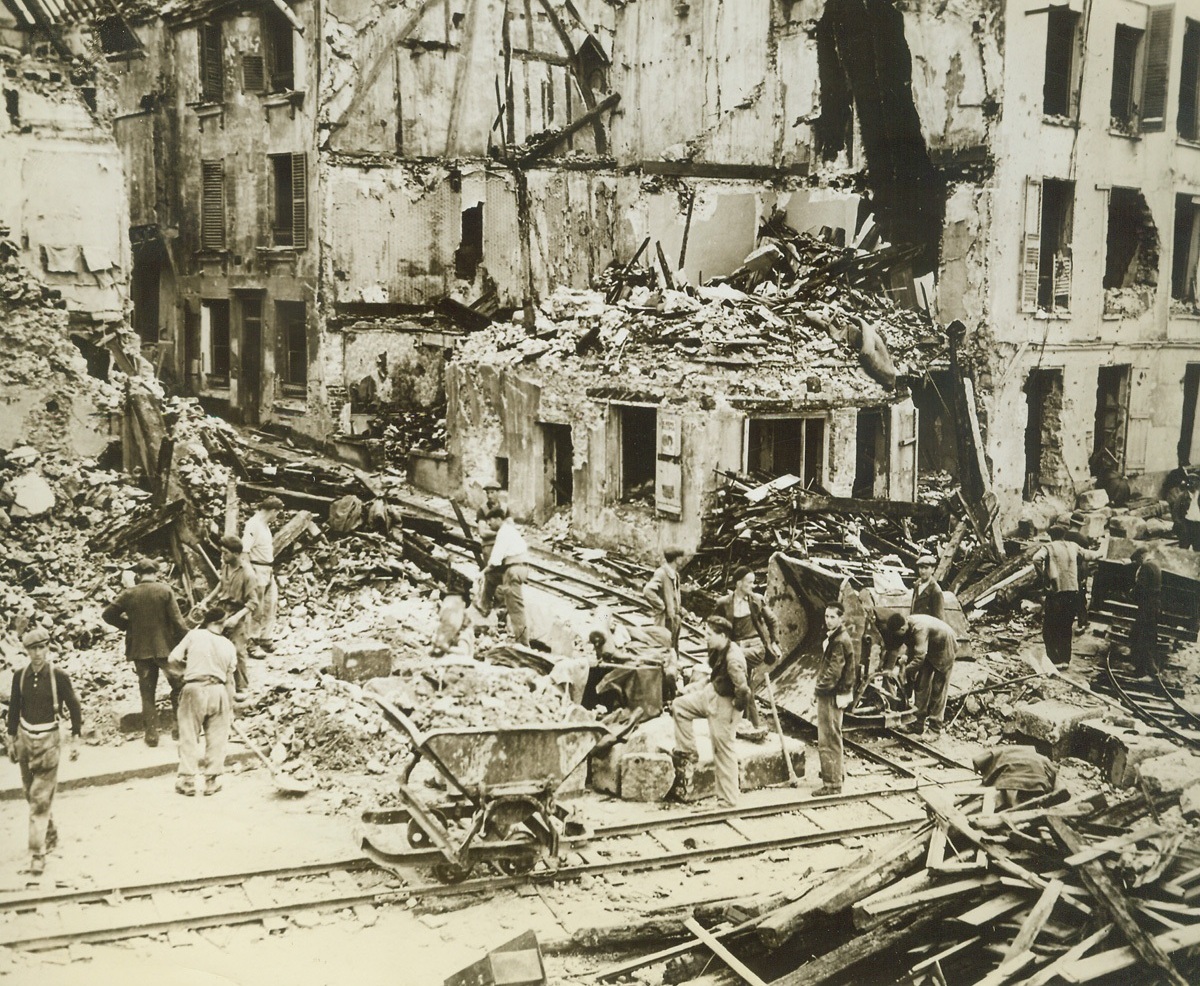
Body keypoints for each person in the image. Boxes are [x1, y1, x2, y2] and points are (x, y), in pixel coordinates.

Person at [5, 628, 82, 876]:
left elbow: (74, 705)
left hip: (49, 740)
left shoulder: (57, 675)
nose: (37, 653)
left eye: (41, 648)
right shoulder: (20, 676)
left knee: (39, 798)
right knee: (30, 793)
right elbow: (14, 708)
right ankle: (49, 832)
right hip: (25, 741)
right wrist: (11, 739)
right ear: (26, 651)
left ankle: (37, 854)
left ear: (48, 648)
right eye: (32, 649)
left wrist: (76, 738)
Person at [102, 557, 187, 746]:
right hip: (165, 649)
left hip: (140, 651)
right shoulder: (165, 591)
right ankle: (179, 729)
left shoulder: (128, 594)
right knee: (179, 686)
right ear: (156, 573)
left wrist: (127, 625)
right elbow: (178, 622)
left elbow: (107, 614)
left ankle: (151, 734)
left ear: (138, 575)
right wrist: (188, 641)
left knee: (147, 692)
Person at [669, 615, 751, 806]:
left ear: (722, 636)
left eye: (709, 634)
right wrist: (697, 687)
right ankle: (688, 752)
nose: (705, 637)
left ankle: (728, 801)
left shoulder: (733, 659)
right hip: (712, 692)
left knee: (723, 751)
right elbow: (715, 675)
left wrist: (734, 715)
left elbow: (743, 691)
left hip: (725, 703)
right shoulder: (720, 648)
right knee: (680, 706)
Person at [169, 607, 238, 797]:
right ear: (221, 623)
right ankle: (211, 781)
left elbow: (172, 658)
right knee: (218, 736)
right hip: (219, 690)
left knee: (189, 734)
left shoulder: (194, 635)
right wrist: (230, 708)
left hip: (194, 688)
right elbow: (230, 680)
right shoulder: (228, 645)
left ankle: (188, 781)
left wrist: (186, 673)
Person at [713, 566, 780, 731]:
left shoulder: (756, 600)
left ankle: (737, 720)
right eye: (749, 582)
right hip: (736, 646)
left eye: (753, 582)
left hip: (756, 646)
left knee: (732, 666)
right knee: (744, 682)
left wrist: (774, 642)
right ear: (738, 583)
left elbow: (772, 621)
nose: (753, 585)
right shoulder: (724, 603)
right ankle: (751, 723)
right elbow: (716, 626)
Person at [1033, 526, 1102, 666]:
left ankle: (1055, 660)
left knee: (1050, 628)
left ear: (1051, 536)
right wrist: (1101, 552)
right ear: (1064, 535)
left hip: (1057, 593)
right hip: (1072, 593)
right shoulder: (1073, 546)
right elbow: (1091, 555)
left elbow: (1036, 559)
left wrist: (1043, 579)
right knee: (1065, 627)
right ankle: (1065, 660)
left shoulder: (1049, 547)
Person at [882, 612, 958, 737]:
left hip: (945, 647)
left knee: (938, 690)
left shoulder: (919, 629)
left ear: (902, 628)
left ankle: (935, 729)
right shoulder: (907, 626)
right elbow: (912, 647)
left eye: (898, 634)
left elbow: (919, 658)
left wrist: (903, 671)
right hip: (930, 650)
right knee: (921, 686)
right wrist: (905, 660)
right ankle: (917, 724)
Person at [813, 603, 856, 798]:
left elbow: (833, 672)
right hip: (836, 693)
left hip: (830, 695)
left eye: (832, 617)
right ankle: (837, 775)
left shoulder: (839, 640)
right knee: (834, 735)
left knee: (828, 738)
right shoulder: (838, 637)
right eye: (826, 616)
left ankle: (832, 784)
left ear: (841, 619)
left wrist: (818, 689)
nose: (828, 620)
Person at [215, 534, 261, 702]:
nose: (222, 556)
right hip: (222, 609)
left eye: (225, 553)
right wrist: (207, 599)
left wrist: (236, 618)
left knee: (238, 650)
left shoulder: (248, 574)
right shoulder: (225, 565)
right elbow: (221, 584)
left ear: (236, 554)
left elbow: (253, 602)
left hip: (238, 612)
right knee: (217, 646)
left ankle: (242, 686)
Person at [242, 496, 283, 653]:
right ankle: (251, 643)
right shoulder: (253, 525)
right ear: (272, 511)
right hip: (257, 570)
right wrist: (250, 574)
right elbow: (245, 552)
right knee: (256, 609)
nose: (276, 517)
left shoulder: (264, 525)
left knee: (270, 603)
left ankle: (265, 638)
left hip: (268, 569)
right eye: (276, 513)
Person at [484, 517, 530, 646]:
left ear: (498, 519)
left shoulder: (503, 532)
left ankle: (523, 645)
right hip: (520, 568)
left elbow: (495, 561)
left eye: (490, 520)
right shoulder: (511, 530)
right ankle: (488, 609)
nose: (488, 523)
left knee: (516, 610)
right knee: (493, 580)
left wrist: (482, 572)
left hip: (513, 570)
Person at [476, 481, 509, 613]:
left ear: (498, 493)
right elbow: (483, 532)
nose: (489, 495)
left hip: (504, 546)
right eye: (487, 492)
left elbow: (511, 527)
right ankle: (487, 604)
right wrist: (500, 532)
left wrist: (499, 533)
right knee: (491, 575)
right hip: (489, 546)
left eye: (492, 492)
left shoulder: (505, 508)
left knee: (505, 574)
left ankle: (501, 606)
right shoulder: (482, 510)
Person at [1129, 545, 1163, 676]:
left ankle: (1149, 670)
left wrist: (1132, 593)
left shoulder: (1146, 567)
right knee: (1146, 636)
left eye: (1138, 560)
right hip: (1153, 606)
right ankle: (1143, 669)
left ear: (1141, 556)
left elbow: (1141, 587)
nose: (1138, 563)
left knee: (1139, 637)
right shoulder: (1155, 564)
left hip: (1147, 607)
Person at [644, 548, 684, 652]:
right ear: (676, 559)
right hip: (664, 619)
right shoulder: (661, 573)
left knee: (674, 646)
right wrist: (661, 606)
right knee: (663, 647)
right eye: (680, 557)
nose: (682, 559)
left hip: (674, 618)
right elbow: (648, 590)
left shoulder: (675, 575)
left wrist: (679, 609)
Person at [910, 554, 945, 621]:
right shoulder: (917, 584)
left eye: (926, 568)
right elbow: (913, 607)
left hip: (927, 628)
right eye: (921, 568)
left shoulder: (936, 591)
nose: (923, 571)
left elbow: (939, 618)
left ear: (933, 570)